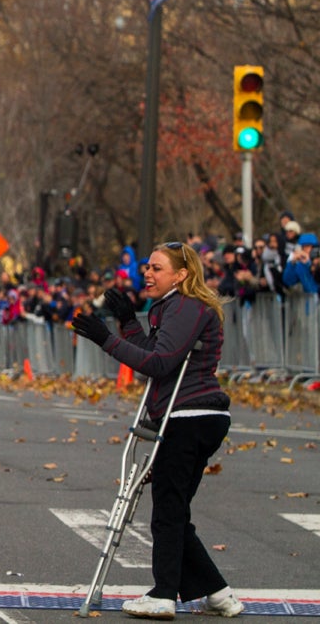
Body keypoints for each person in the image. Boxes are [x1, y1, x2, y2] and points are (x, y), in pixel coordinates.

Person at [71, 241, 244, 619]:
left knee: (167, 511)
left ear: (181, 275)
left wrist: (106, 339)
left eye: (157, 268)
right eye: (146, 267)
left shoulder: (185, 305)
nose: (147, 273)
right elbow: (153, 349)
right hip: (193, 417)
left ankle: (163, 594)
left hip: (189, 417)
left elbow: (159, 363)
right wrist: (129, 323)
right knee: (174, 511)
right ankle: (218, 593)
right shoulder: (171, 305)